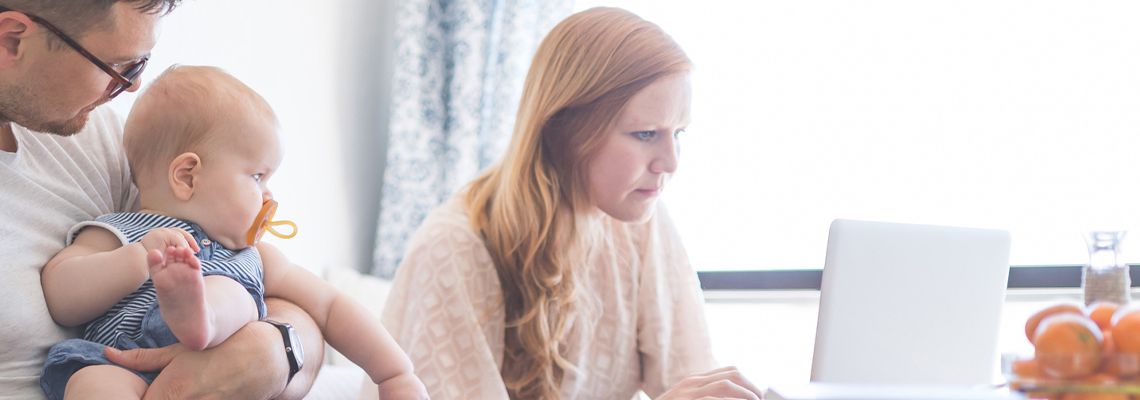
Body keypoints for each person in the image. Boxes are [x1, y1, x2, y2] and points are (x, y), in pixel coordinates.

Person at [379, 7, 764, 400]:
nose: (671, 163)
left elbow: (692, 375)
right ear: (564, 130)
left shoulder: (640, 219)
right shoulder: (454, 249)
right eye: (646, 133)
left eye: (678, 133)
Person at [37, 65, 428, 400]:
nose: (268, 194)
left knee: (234, 294)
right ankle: (194, 311)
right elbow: (61, 294)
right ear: (187, 176)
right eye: (257, 176)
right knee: (92, 383)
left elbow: (331, 308)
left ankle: (200, 314)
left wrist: (394, 373)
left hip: (221, 377)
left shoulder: (258, 256)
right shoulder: (121, 231)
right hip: (121, 362)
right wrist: (137, 258)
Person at [0, 2, 325, 398]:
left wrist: (275, 351)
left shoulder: (93, 138)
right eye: (123, 67)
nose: (134, 87)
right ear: (12, 39)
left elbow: (288, 303)